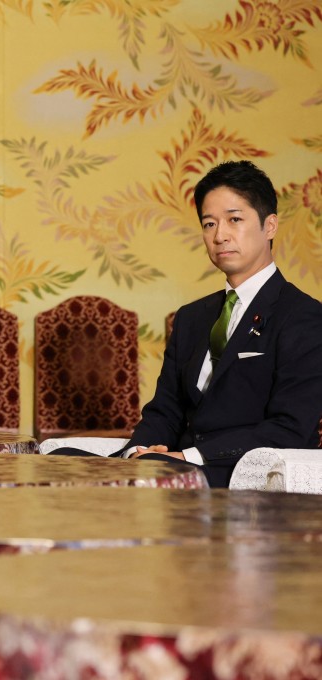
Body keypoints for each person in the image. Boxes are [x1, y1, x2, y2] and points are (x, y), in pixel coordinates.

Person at [60, 160, 322, 488]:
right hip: (174, 468)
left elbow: (290, 427)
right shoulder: (192, 317)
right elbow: (165, 411)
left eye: (234, 220)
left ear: (270, 226)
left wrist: (190, 456)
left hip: (235, 474)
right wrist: (138, 452)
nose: (220, 235)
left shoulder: (303, 317)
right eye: (209, 224)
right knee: (59, 460)